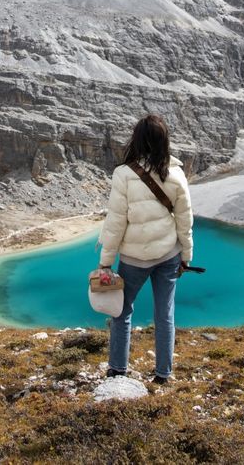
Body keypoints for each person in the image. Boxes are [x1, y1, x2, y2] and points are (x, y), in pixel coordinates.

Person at [97, 113, 194, 384]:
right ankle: (163, 373)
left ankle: (118, 370)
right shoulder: (175, 173)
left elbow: (115, 222)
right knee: (165, 314)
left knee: (122, 311)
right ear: (164, 141)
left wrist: (106, 262)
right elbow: (185, 219)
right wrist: (186, 256)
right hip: (168, 255)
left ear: (136, 140)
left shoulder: (124, 174)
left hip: (133, 258)